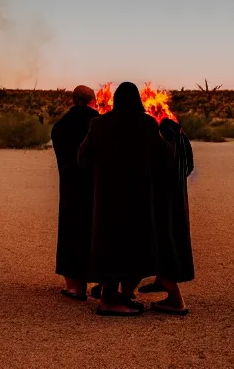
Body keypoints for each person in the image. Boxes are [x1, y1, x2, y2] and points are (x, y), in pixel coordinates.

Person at [78, 82, 175, 316]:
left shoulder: (98, 124)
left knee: (110, 242)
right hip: (138, 197)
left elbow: (83, 158)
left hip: (108, 197)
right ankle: (109, 302)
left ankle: (113, 295)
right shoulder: (147, 124)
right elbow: (164, 158)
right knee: (134, 244)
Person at [140, 117, 195, 315]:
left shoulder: (163, 143)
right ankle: (159, 282)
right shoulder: (181, 137)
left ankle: (176, 300)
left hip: (163, 202)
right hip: (178, 199)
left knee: (163, 243)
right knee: (171, 239)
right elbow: (189, 167)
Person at [51, 85, 100, 300]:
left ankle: (75, 287)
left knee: (72, 233)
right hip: (97, 188)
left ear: (73, 100)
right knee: (97, 233)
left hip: (70, 187)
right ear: (93, 100)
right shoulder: (99, 124)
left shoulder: (60, 126)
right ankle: (103, 283)